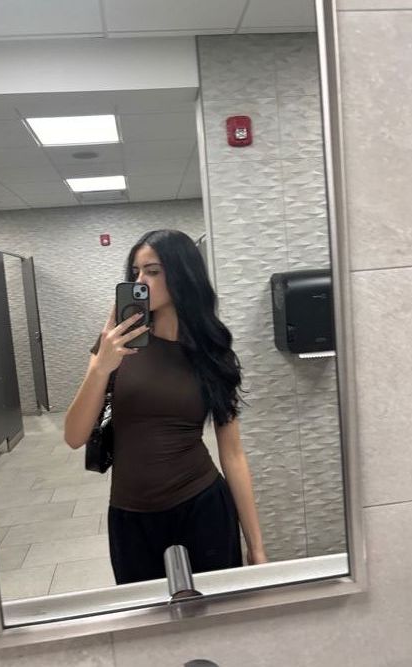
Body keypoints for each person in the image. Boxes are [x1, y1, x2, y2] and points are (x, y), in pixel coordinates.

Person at [64, 229, 266, 585]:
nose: (140, 282)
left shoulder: (211, 353)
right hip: (130, 514)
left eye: (153, 271)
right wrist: (100, 367)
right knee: (147, 615)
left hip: (203, 504)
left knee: (217, 610)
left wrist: (257, 547)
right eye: (135, 273)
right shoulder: (115, 346)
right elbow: (74, 436)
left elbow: (233, 453)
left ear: (183, 274)